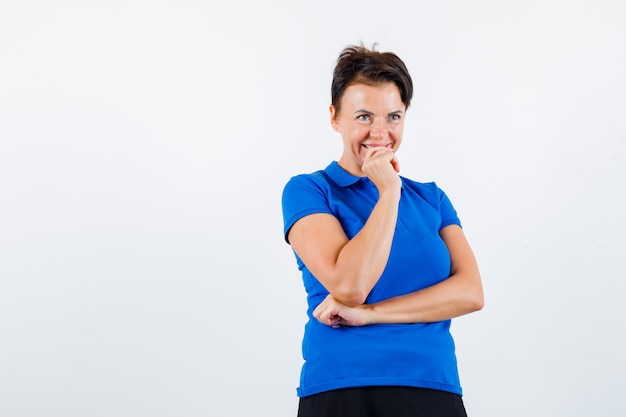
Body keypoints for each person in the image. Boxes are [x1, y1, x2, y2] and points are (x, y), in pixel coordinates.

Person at [281, 44, 484, 417]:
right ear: (334, 118)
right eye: (363, 116)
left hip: (431, 384)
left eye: (393, 116)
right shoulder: (310, 190)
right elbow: (349, 286)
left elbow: (470, 293)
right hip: (342, 387)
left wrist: (372, 314)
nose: (380, 132)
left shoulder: (432, 199)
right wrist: (389, 190)